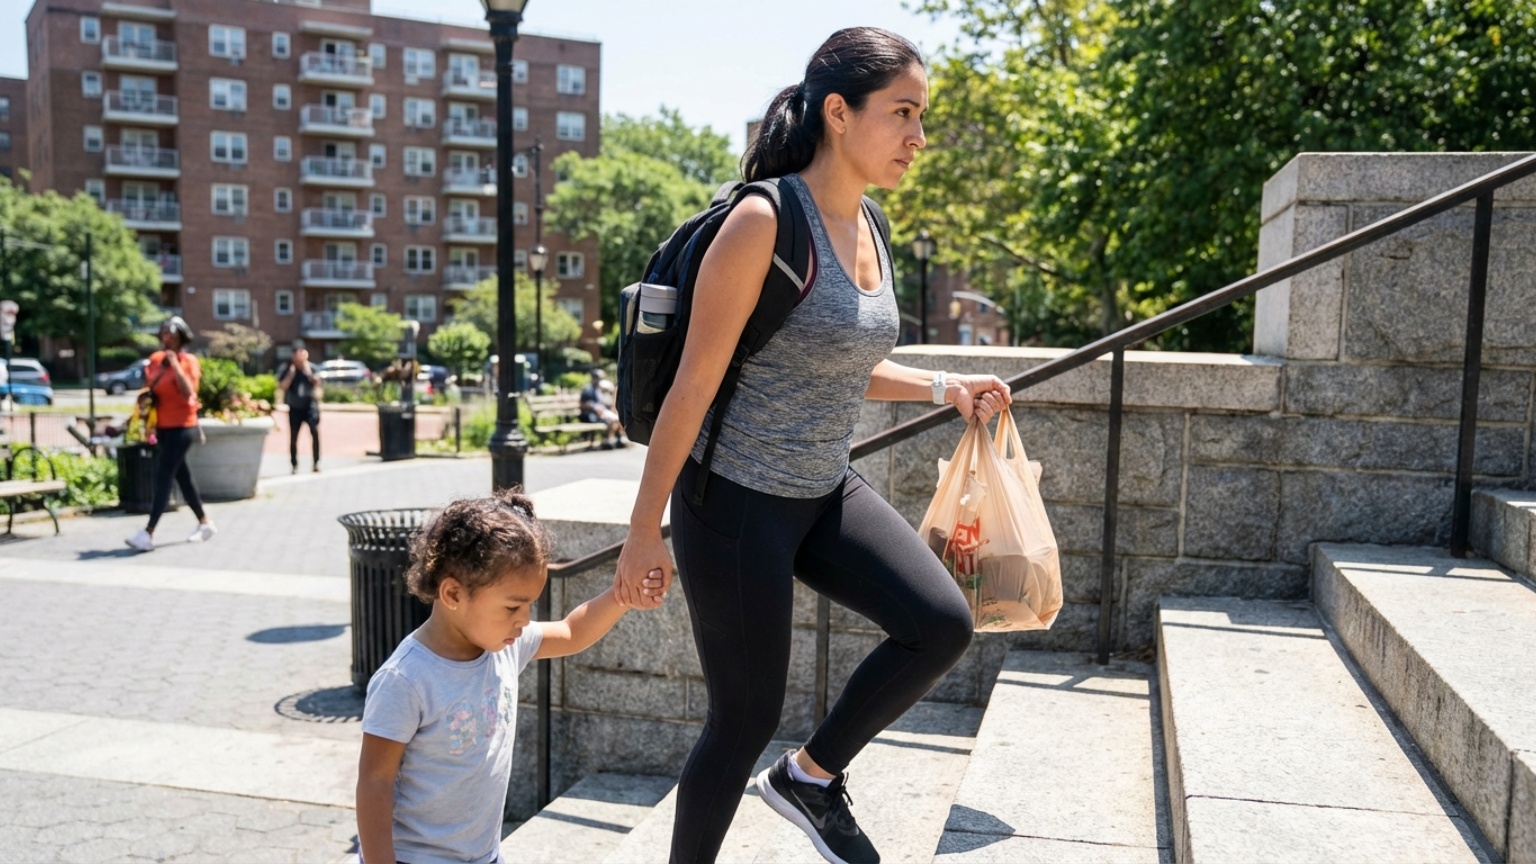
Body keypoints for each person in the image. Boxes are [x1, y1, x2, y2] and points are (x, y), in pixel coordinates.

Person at [613, 28, 1015, 864]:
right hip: (731, 501)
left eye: (921, 116)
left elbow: (842, 358)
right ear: (840, 112)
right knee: (743, 717)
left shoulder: (870, 222)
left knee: (939, 624)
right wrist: (643, 531)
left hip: (821, 487)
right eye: (902, 113)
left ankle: (810, 778)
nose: (918, 136)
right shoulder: (765, 221)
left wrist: (946, 388)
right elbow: (691, 389)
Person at [355, 488, 668, 864]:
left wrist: (623, 595)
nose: (523, 619)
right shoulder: (406, 679)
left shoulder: (504, 645)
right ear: (453, 593)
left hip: (484, 855)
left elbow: (572, 632)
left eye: (530, 605)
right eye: (512, 606)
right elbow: (375, 781)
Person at [125, 316, 215, 552]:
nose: (167, 338)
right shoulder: (155, 360)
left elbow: (188, 393)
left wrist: (176, 365)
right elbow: (151, 390)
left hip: (184, 427)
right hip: (162, 426)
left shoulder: (190, 361)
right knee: (182, 476)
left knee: (164, 475)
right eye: (164, 334)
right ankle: (205, 524)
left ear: (181, 338)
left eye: (172, 335)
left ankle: (148, 533)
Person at [278, 341, 322, 474]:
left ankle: (316, 462)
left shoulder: (312, 368)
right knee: (293, 437)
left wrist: (306, 369)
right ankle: (294, 464)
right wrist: (291, 374)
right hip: (295, 407)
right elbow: (282, 387)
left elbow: (317, 384)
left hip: (310, 406)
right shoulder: (288, 368)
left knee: (314, 432)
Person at [579, 369, 627, 449]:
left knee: (618, 418)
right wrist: (594, 408)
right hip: (590, 414)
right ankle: (608, 439)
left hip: (602, 412)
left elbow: (607, 402)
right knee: (611, 420)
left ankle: (617, 438)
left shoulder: (600, 389)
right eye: (598, 378)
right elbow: (582, 404)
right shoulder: (588, 389)